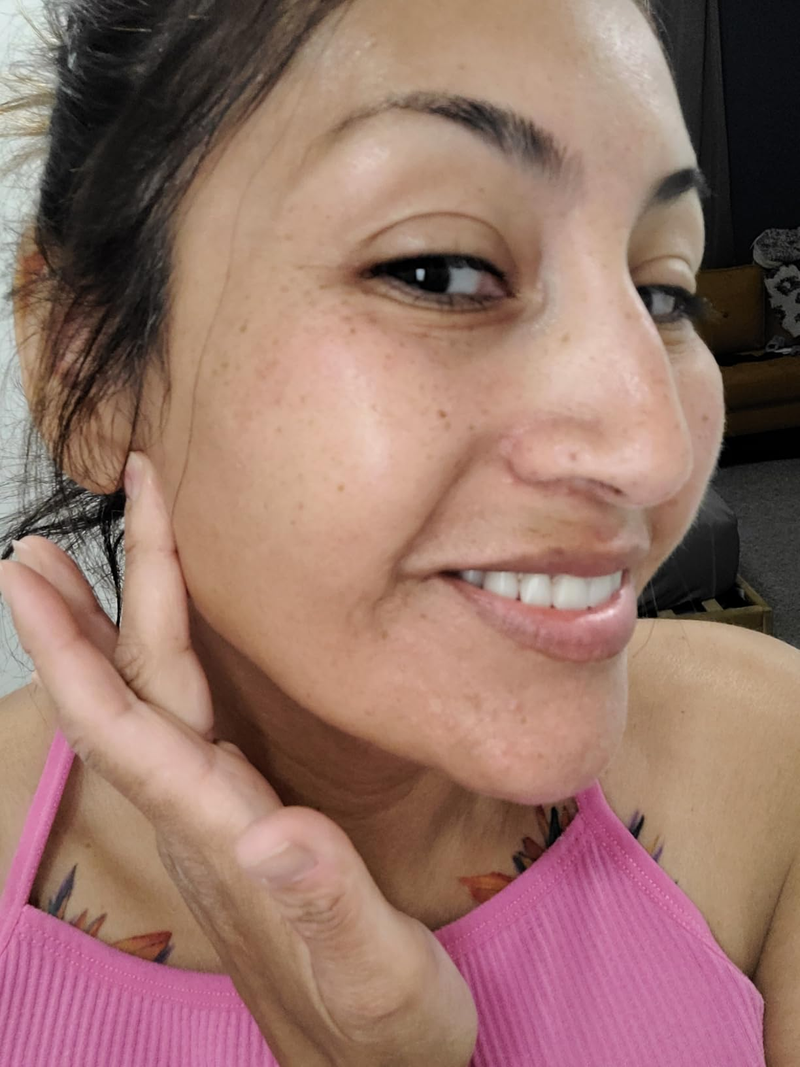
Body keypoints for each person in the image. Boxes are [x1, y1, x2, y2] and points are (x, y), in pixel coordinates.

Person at [0, 0, 797, 1063]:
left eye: (661, 293)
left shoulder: (776, 771)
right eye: (440, 269)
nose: (653, 450)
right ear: (85, 368)